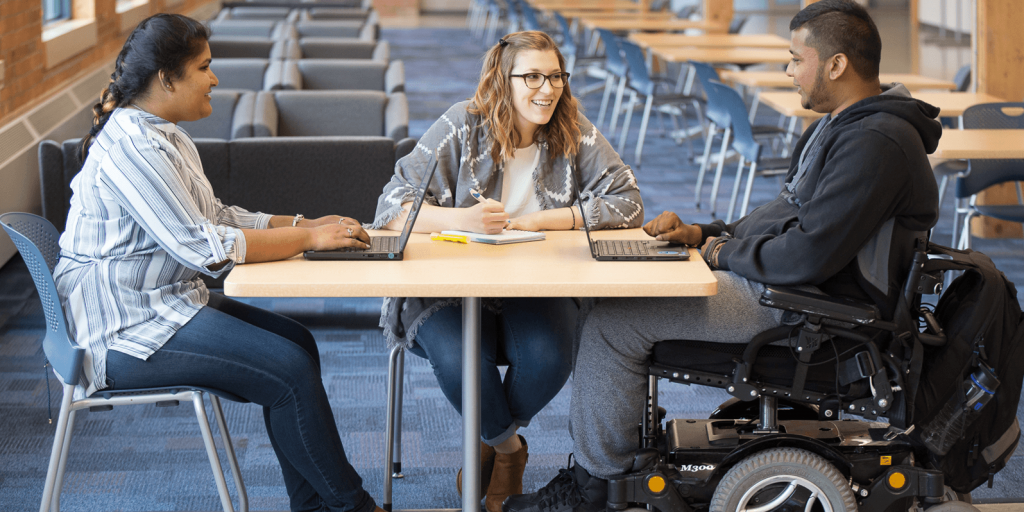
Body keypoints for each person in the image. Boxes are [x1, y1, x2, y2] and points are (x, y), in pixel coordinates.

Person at [502, 2, 942, 512]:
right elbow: (786, 216)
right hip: (795, 290)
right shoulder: (845, 126)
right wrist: (701, 233)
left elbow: (804, 257)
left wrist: (720, 251)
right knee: (607, 299)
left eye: (796, 59)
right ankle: (609, 460)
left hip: (810, 309)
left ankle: (596, 488)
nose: (789, 71)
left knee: (611, 325)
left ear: (836, 65)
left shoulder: (875, 141)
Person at [53, 14, 382, 512]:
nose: (215, 79)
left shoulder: (164, 133)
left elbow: (218, 217)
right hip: (122, 328)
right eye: (204, 67)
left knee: (298, 343)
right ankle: (352, 507)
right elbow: (203, 246)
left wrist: (303, 221)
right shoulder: (135, 145)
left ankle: (318, 506)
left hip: (161, 302)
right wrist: (309, 237)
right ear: (167, 78)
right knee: (289, 371)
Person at [369, 31, 643, 512]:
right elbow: (390, 206)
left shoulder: (572, 130)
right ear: (503, 80)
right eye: (532, 76)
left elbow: (629, 202)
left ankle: (487, 438)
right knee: (461, 360)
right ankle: (509, 451)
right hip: (446, 288)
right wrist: (460, 219)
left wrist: (547, 219)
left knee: (549, 359)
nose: (548, 88)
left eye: (556, 75)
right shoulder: (461, 124)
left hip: (535, 287)